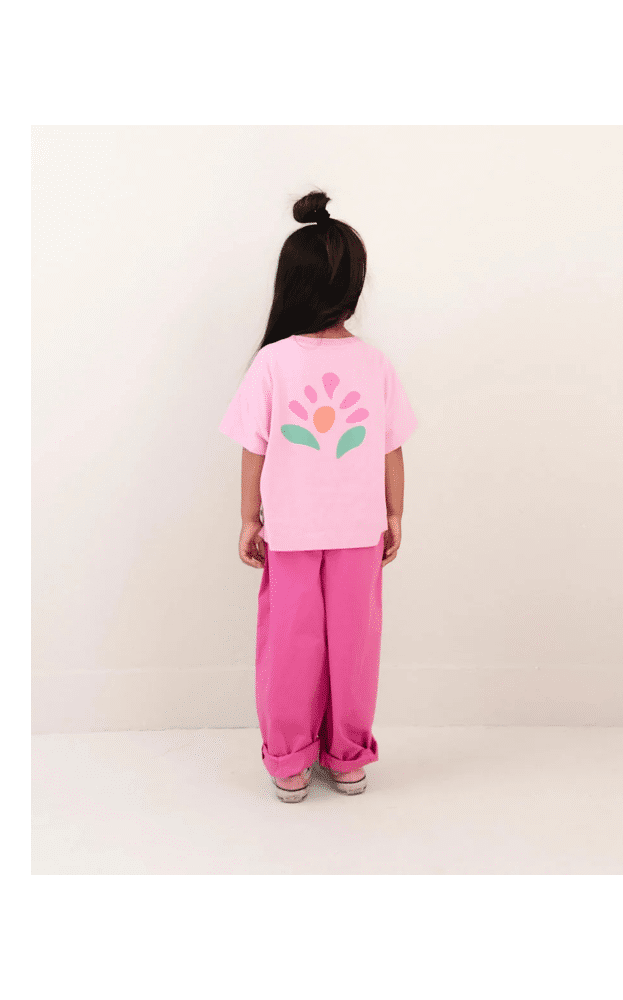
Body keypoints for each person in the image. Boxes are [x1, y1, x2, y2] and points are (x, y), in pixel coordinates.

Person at [218, 190, 418, 803]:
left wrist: (249, 519)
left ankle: (289, 762)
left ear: (291, 285)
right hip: (359, 529)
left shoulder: (273, 363)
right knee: (356, 645)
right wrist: (394, 513)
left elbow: (253, 449)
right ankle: (348, 758)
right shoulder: (374, 364)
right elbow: (390, 449)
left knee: (290, 645)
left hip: (292, 530)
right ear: (355, 285)